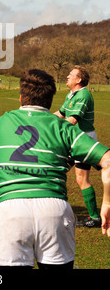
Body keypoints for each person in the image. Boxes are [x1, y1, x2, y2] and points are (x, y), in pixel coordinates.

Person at [0, 69, 110, 269]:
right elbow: (108, 159)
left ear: (20, 97)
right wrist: (107, 202)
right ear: (50, 100)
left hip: (10, 210)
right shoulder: (64, 128)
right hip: (54, 211)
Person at [54, 65, 101, 228]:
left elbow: (72, 120)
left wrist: (52, 128)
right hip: (74, 140)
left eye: (70, 75)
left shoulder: (83, 95)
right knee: (60, 172)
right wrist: (40, 117)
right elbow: (60, 114)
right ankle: (92, 217)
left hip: (83, 141)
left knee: (78, 178)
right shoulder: (71, 94)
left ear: (78, 80)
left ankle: (94, 218)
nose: (67, 77)